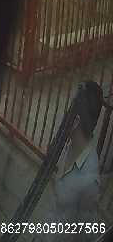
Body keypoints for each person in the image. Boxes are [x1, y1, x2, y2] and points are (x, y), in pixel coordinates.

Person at [41, 81, 104, 241]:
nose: (64, 115)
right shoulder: (68, 146)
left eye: (68, 110)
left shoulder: (90, 180)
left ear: (75, 121)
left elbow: (88, 234)